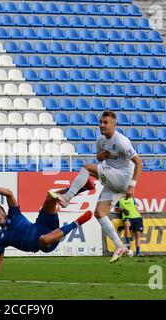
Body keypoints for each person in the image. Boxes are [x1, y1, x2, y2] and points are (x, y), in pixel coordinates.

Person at [49, 110, 143, 263]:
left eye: (105, 123)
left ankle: (66, 198)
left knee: (87, 168)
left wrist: (132, 185)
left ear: (114, 125)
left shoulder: (122, 141)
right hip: (113, 180)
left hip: (122, 178)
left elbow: (139, 163)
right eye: (100, 122)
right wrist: (100, 156)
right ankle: (120, 245)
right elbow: (99, 158)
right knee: (99, 213)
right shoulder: (100, 140)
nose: (101, 125)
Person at [0, 184, 93, 280]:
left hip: (42, 224)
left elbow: (8, 193)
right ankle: (77, 222)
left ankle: (83, 187)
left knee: (51, 197)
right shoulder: (0, 238)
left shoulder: (14, 214)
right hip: (44, 244)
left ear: (4, 212)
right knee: (43, 239)